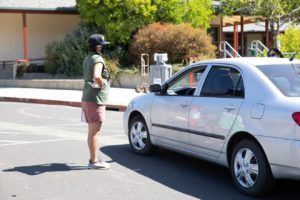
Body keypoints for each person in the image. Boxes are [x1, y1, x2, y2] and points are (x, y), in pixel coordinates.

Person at [81, 34, 110, 169]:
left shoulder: (88, 58)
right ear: (98, 46)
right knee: (95, 132)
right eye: (103, 45)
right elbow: (97, 76)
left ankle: (93, 158)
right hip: (95, 99)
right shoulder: (98, 58)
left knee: (91, 131)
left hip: (87, 98)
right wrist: (102, 85)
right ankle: (94, 162)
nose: (104, 47)